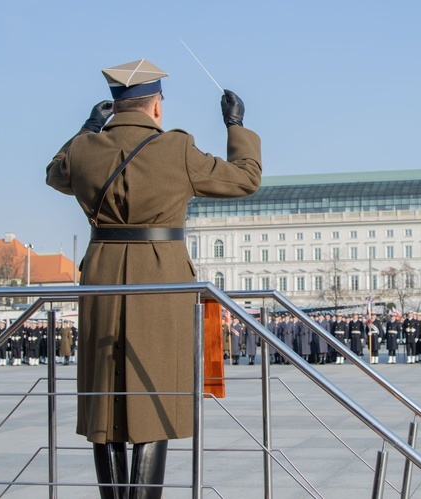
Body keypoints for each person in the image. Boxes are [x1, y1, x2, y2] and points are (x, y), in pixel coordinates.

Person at [46, 59, 261, 498]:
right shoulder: (176, 150)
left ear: (114, 105)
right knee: (153, 389)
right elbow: (246, 179)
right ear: (157, 107)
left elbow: (55, 172)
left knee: (103, 400)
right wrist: (236, 125)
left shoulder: (85, 150)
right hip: (161, 278)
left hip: (102, 277)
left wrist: (86, 127)